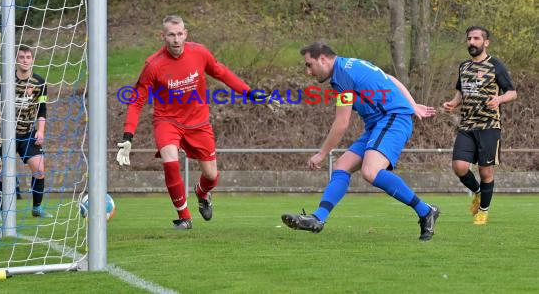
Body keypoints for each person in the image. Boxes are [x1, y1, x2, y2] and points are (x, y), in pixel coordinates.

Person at [116, 15, 267, 230]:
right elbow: (137, 100)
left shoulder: (199, 52)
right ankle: (184, 217)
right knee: (170, 160)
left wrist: (249, 92)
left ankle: (202, 193)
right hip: (167, 121)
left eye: (179, 34)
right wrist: (128, 136)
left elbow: (220, 72)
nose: (176, 39)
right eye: (171, 35)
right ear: (163, 36)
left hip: (199, 122)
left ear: (185, 34)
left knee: (211, 175)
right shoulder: (153, 65)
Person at [282, 41, 439, 241]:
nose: (308, 72)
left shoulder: (342, 76)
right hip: (378, 124)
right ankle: (317, 219)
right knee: (341, 166)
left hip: (393, 118)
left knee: (370, 171)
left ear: (322, 59)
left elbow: (342, 122)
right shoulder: (350, 64)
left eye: (309, 65)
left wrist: (322, 154)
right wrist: (413, 103)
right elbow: (389, 78)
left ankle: (426, 211)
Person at [442, 26, 517, 225]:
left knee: (486, 172)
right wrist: (453, 103)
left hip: (489, 126)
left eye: (476, 38)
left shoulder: (495, 65)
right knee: (459, 167)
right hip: (467, 126)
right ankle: (477, 192)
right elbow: (461, 91)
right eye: (469, 39)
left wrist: (499, 99)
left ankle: (483, 210)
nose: (472, 42)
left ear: (486, 42)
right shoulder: (464, 66)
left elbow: (512, 92)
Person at [0, 44, 52, 218]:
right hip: (6, 134)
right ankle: (0, 211)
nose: (25, 60)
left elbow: (42, 108)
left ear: (32, 60)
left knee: (40, 169)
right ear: (17, 60)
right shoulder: (4, 81)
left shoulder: (40, 83)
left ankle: (36, 208)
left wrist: (41, 131)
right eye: (22, 57)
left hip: (27, 133)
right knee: (3, 173)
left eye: (28, 57)